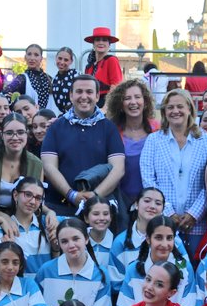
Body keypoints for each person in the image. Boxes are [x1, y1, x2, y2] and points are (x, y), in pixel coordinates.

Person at [139, 89, 207, 254]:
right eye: (170, 107)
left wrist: (194, 214)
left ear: (189, 109)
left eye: (180, 106)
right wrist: (168, 212)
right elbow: (148, 180)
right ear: (164, 111)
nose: (175, 111)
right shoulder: (153, 140)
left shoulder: (205, 140)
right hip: (163, 223)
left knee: (194, 266)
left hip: (196, 224)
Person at [41, 75, 125, 215]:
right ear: (71, 95)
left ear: (97, 96)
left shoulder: (109, 128)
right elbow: (49, 167)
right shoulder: (56, 127)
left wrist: (95, 196)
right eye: (79, 91)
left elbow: (118, 169)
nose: (84, 96)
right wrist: (71, 194)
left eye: (89, 92)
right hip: (60, 207)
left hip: (99, 211)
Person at [36, 218, 113, 306]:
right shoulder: (46, 270)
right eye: (64, 241)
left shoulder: (100, 274)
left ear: (86, 239)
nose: (71, 245)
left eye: (76, 239)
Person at [115, 215, 198, 306]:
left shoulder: (185, 269)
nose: (164, 244)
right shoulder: (133, 269)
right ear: (148, 239)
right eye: (158, 238)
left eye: (169, 238)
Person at [106, 78, 157, 206]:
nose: (133, 102)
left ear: (145, 102)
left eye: (137, 97)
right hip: (119, 201)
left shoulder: (158, 130)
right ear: (120, 104)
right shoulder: (111, 131)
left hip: (151, 203)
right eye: (127, 98)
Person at [0, 114, 43, 213]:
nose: (15, 137)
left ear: (27, 133)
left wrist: (50, 212)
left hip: (22, 217)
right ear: (2, 135)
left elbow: (38, 200)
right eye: (9, 133)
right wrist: (4, 218)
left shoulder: (36, 164)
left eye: (20, 132)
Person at [4, 43, 57, 112]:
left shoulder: (49, 79)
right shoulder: (22, 78)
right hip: (28, 118)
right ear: (25, 57)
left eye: (36, 55)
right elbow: (4, 95)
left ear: (41, 58)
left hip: (48, 117)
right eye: (29, 54)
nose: (32, 58)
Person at [84, 27, 123, 104]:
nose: (101, 42)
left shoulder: (111, 60)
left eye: (104, 40)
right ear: (93, 44)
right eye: (97, 40)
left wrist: (105, 107)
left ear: (109, 44)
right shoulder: (89, 66)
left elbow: (116, 86)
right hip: (90, 103)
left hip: (106, 102)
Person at [79, 195, 118, 269]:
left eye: (105, 214)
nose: (101, 218)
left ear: (111, 217)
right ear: (86, 218)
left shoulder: (117, 243)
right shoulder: (78, 243)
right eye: (96, 214)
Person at [50, 47, 78, 113]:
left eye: (66, 60)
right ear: (56, 58)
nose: (62, 62)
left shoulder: (76, 75)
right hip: (63, 114)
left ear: (71, 61)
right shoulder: (55, 79)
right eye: (60, 58)